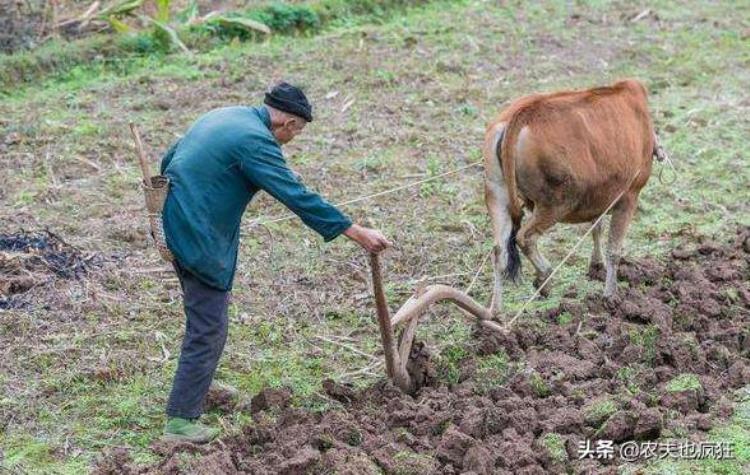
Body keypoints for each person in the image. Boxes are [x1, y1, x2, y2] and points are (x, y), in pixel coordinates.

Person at [158, 82, 391, 442]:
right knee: (209, 324)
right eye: (297, 130)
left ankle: (197, 385)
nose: (293, 137)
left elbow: (170, 158)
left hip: (173, 220)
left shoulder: (228, 115)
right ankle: (180, 420)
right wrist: (354, 231)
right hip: (198, 233)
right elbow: (294, 194)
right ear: (289, 122)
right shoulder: (256, 141)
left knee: (204, 315)